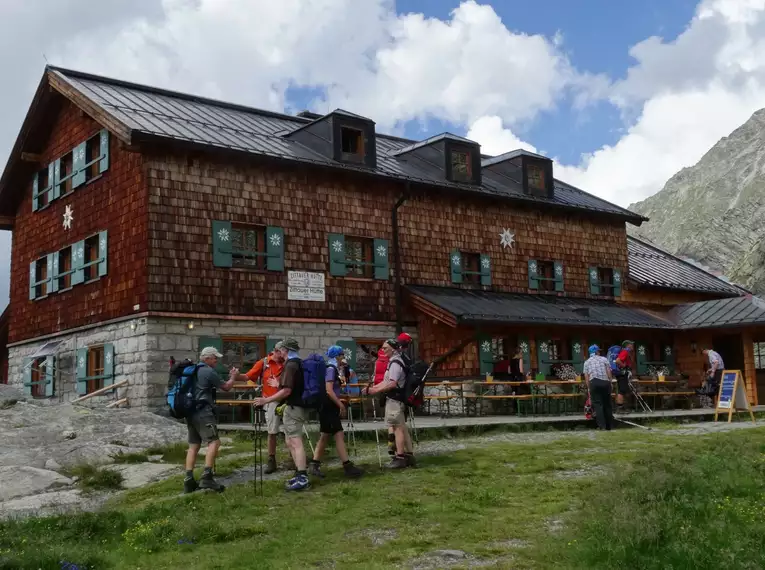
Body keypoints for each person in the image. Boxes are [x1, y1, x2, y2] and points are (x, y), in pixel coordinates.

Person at [253, 338, 310, 491]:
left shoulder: (290, 365)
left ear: (286, 350)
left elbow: (287, 390)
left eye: (281, 350)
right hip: (296, 406)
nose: (279, 352)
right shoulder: (299, 363)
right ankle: (299, 473)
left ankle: (302, 476)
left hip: (294, 407)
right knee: (290, 441)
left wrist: (266, 400)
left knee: (296, 442)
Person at [184, 346, 236, 493]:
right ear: (206, 358)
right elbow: (226, 387)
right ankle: (207, 477)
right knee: (214, 441)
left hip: (190, 412)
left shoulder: (192, 371)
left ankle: (188, 480)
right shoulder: (208, 371)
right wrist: (233, 376)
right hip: (203, 412)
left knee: (194, 445)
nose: (216, 360)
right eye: (214, 357)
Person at [308, 346, 364, 479]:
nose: (343, 357)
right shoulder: (331, 369)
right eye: (342, 354)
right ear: (337, 356)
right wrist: (341, 405)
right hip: (329, 406)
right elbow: (329, 390)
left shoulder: (330, 368)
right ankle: (347, 466)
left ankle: (314, 464)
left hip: (326, 406)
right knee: (338, 434)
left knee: (326, 435)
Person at [230, 349, 285, 474]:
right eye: (281, 351)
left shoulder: (288, 362)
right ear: (275, 351)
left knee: (290, 432)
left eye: (284, 351)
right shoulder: (264, 362)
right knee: (272, 432)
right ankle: (271, 460)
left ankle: (294, 459)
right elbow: (248, 376)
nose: (283, 354)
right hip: (270, 401)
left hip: (288, 400)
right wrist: (235, 375)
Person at [364, 339, 415, 469]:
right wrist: (373, 390)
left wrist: (374, 391)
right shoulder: (392, 362)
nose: (383, 350)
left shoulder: (395, 363)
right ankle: (406, 456)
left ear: (393, 349)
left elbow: (392, 384)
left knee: (397, 428)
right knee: (399, 427)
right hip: (394, 399)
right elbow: (386, 381)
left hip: (395, 400)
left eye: (385, 348)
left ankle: (400, 458)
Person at [583, 345, 614, 431]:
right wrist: (610, 382)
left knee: (598, 405)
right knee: (607, 404)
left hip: (594, 382)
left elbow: (586, 376)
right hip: (605, 382)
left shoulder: (587, 362)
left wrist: (589, 387)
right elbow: (608, 371)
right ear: (596, 352)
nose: (599, 352)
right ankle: (609, 425)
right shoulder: (604, 359)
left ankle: (602, 426)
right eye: (598, 351)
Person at [614, 340, 634, 413]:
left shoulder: (625, 352)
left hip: (622, 374)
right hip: (622, 374)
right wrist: (624, 366)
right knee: (621, 391)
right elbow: (617, 360)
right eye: (631, 345)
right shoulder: (624, 352)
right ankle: (620, 408)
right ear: (628, 345)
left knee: (623, 390)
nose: (632, 346)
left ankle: (622, 407)